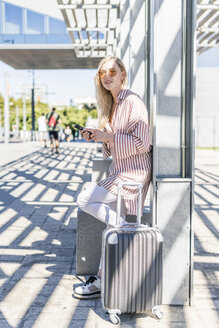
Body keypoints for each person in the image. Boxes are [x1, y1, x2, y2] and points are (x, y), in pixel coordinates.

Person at [73, 56, 152, 299]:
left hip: (133, 174)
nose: (107, 76)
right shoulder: (113, 105)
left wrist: (106, 137)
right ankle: (100, 280)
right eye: (102, 73)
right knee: (109, 226)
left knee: (86, 199)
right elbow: (111, 147)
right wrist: (98, 136)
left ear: (123, 75)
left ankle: (126, 228)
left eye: (112, 71)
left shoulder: (132, 101)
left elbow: (142, 143)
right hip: (120, 172)